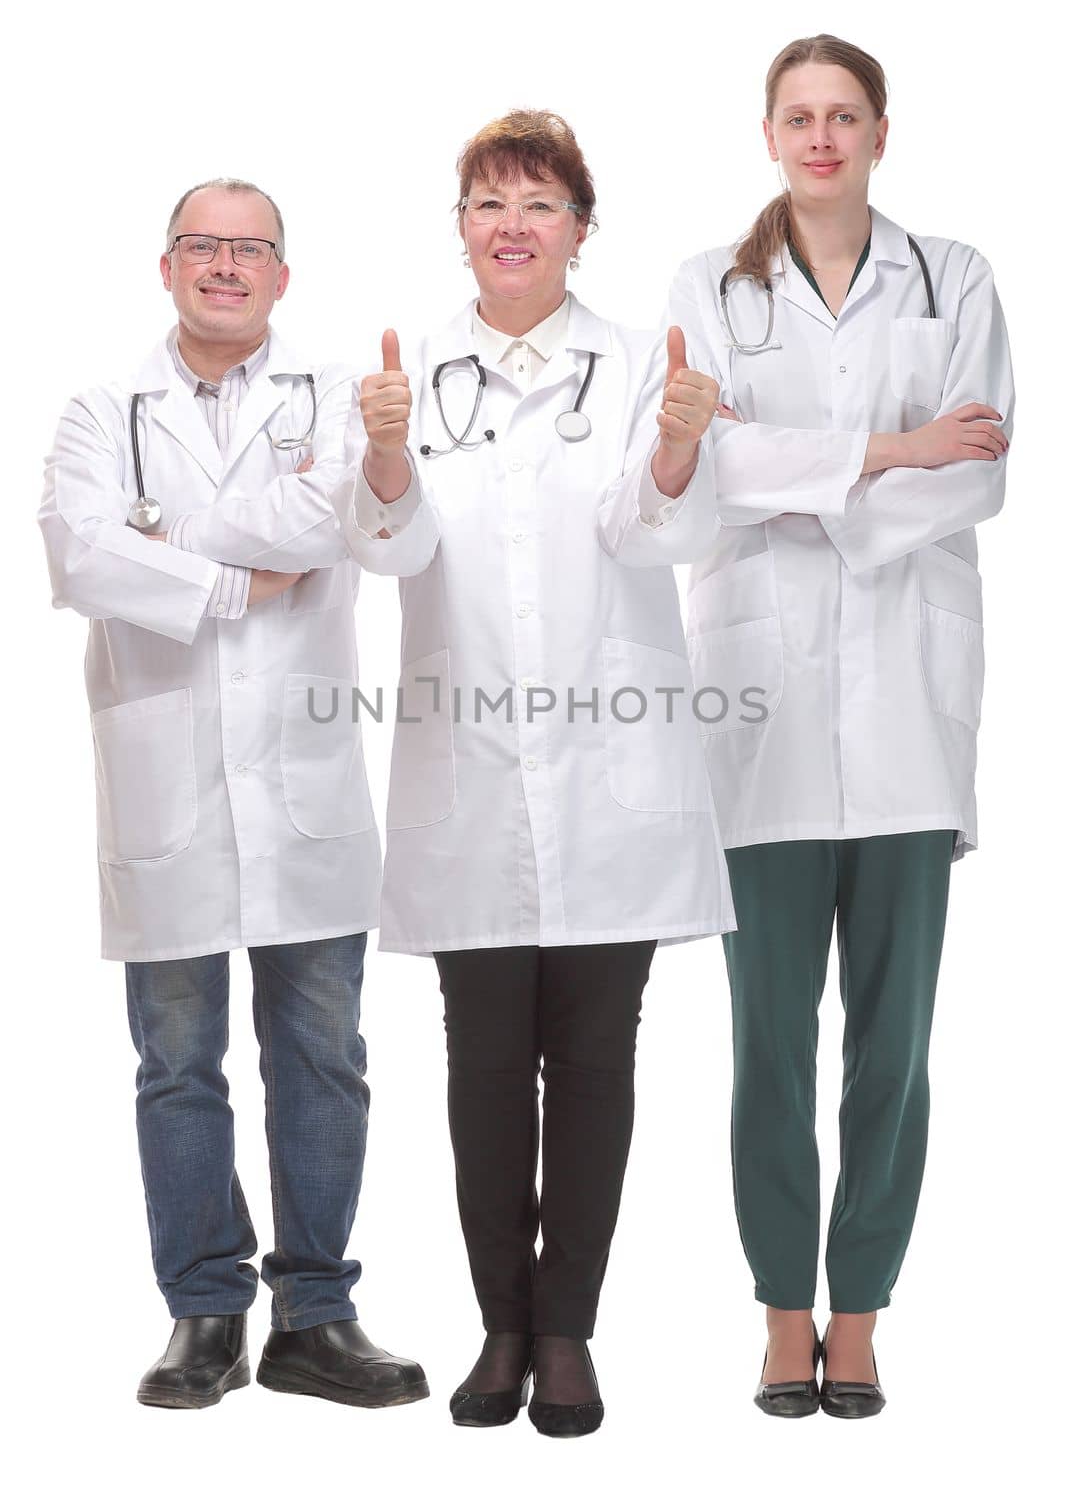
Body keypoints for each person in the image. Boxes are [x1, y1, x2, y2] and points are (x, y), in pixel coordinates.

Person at [332, 111, 734, 1437]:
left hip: (609, 768)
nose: (511, 223)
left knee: (597, 1063)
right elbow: (388, 554)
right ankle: (499, 1323)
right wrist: (385, 453)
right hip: (468, 775)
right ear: (459, 227)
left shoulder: (635, 365)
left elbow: (647, 526)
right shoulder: (410, 374)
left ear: (578, 228)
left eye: (539, 203)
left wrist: (676, 438)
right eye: (488, 202)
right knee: (485, 1067)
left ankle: (567, 1333)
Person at [665, 35, 1013, 1418]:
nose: (820, 138)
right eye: (797, 117)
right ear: (766, 134)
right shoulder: (707, 287)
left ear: (879, 131)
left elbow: (976, 470)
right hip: (757, 721)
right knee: (766, 1045)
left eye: (842, 116)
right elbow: (704, 468)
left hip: (907, 719)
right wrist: (879, 453)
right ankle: (775, 1307)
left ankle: (856, 1309)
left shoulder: (956, 277)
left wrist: (798, 488)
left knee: (895, 1041)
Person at [39, 177, 426, 1411]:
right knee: (176, 1061)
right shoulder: (104, 411)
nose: (224, 264)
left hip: (304, 785)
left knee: (324, 1056)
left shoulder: (337, 403)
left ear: (281, 276)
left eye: (248, 248)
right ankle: (203, 1312)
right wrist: (224, 576)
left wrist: (178, 539)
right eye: (201, 246)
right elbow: (79, 554)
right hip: (168, 793)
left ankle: (316, 1315)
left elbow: (345, 523)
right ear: (166, 268)